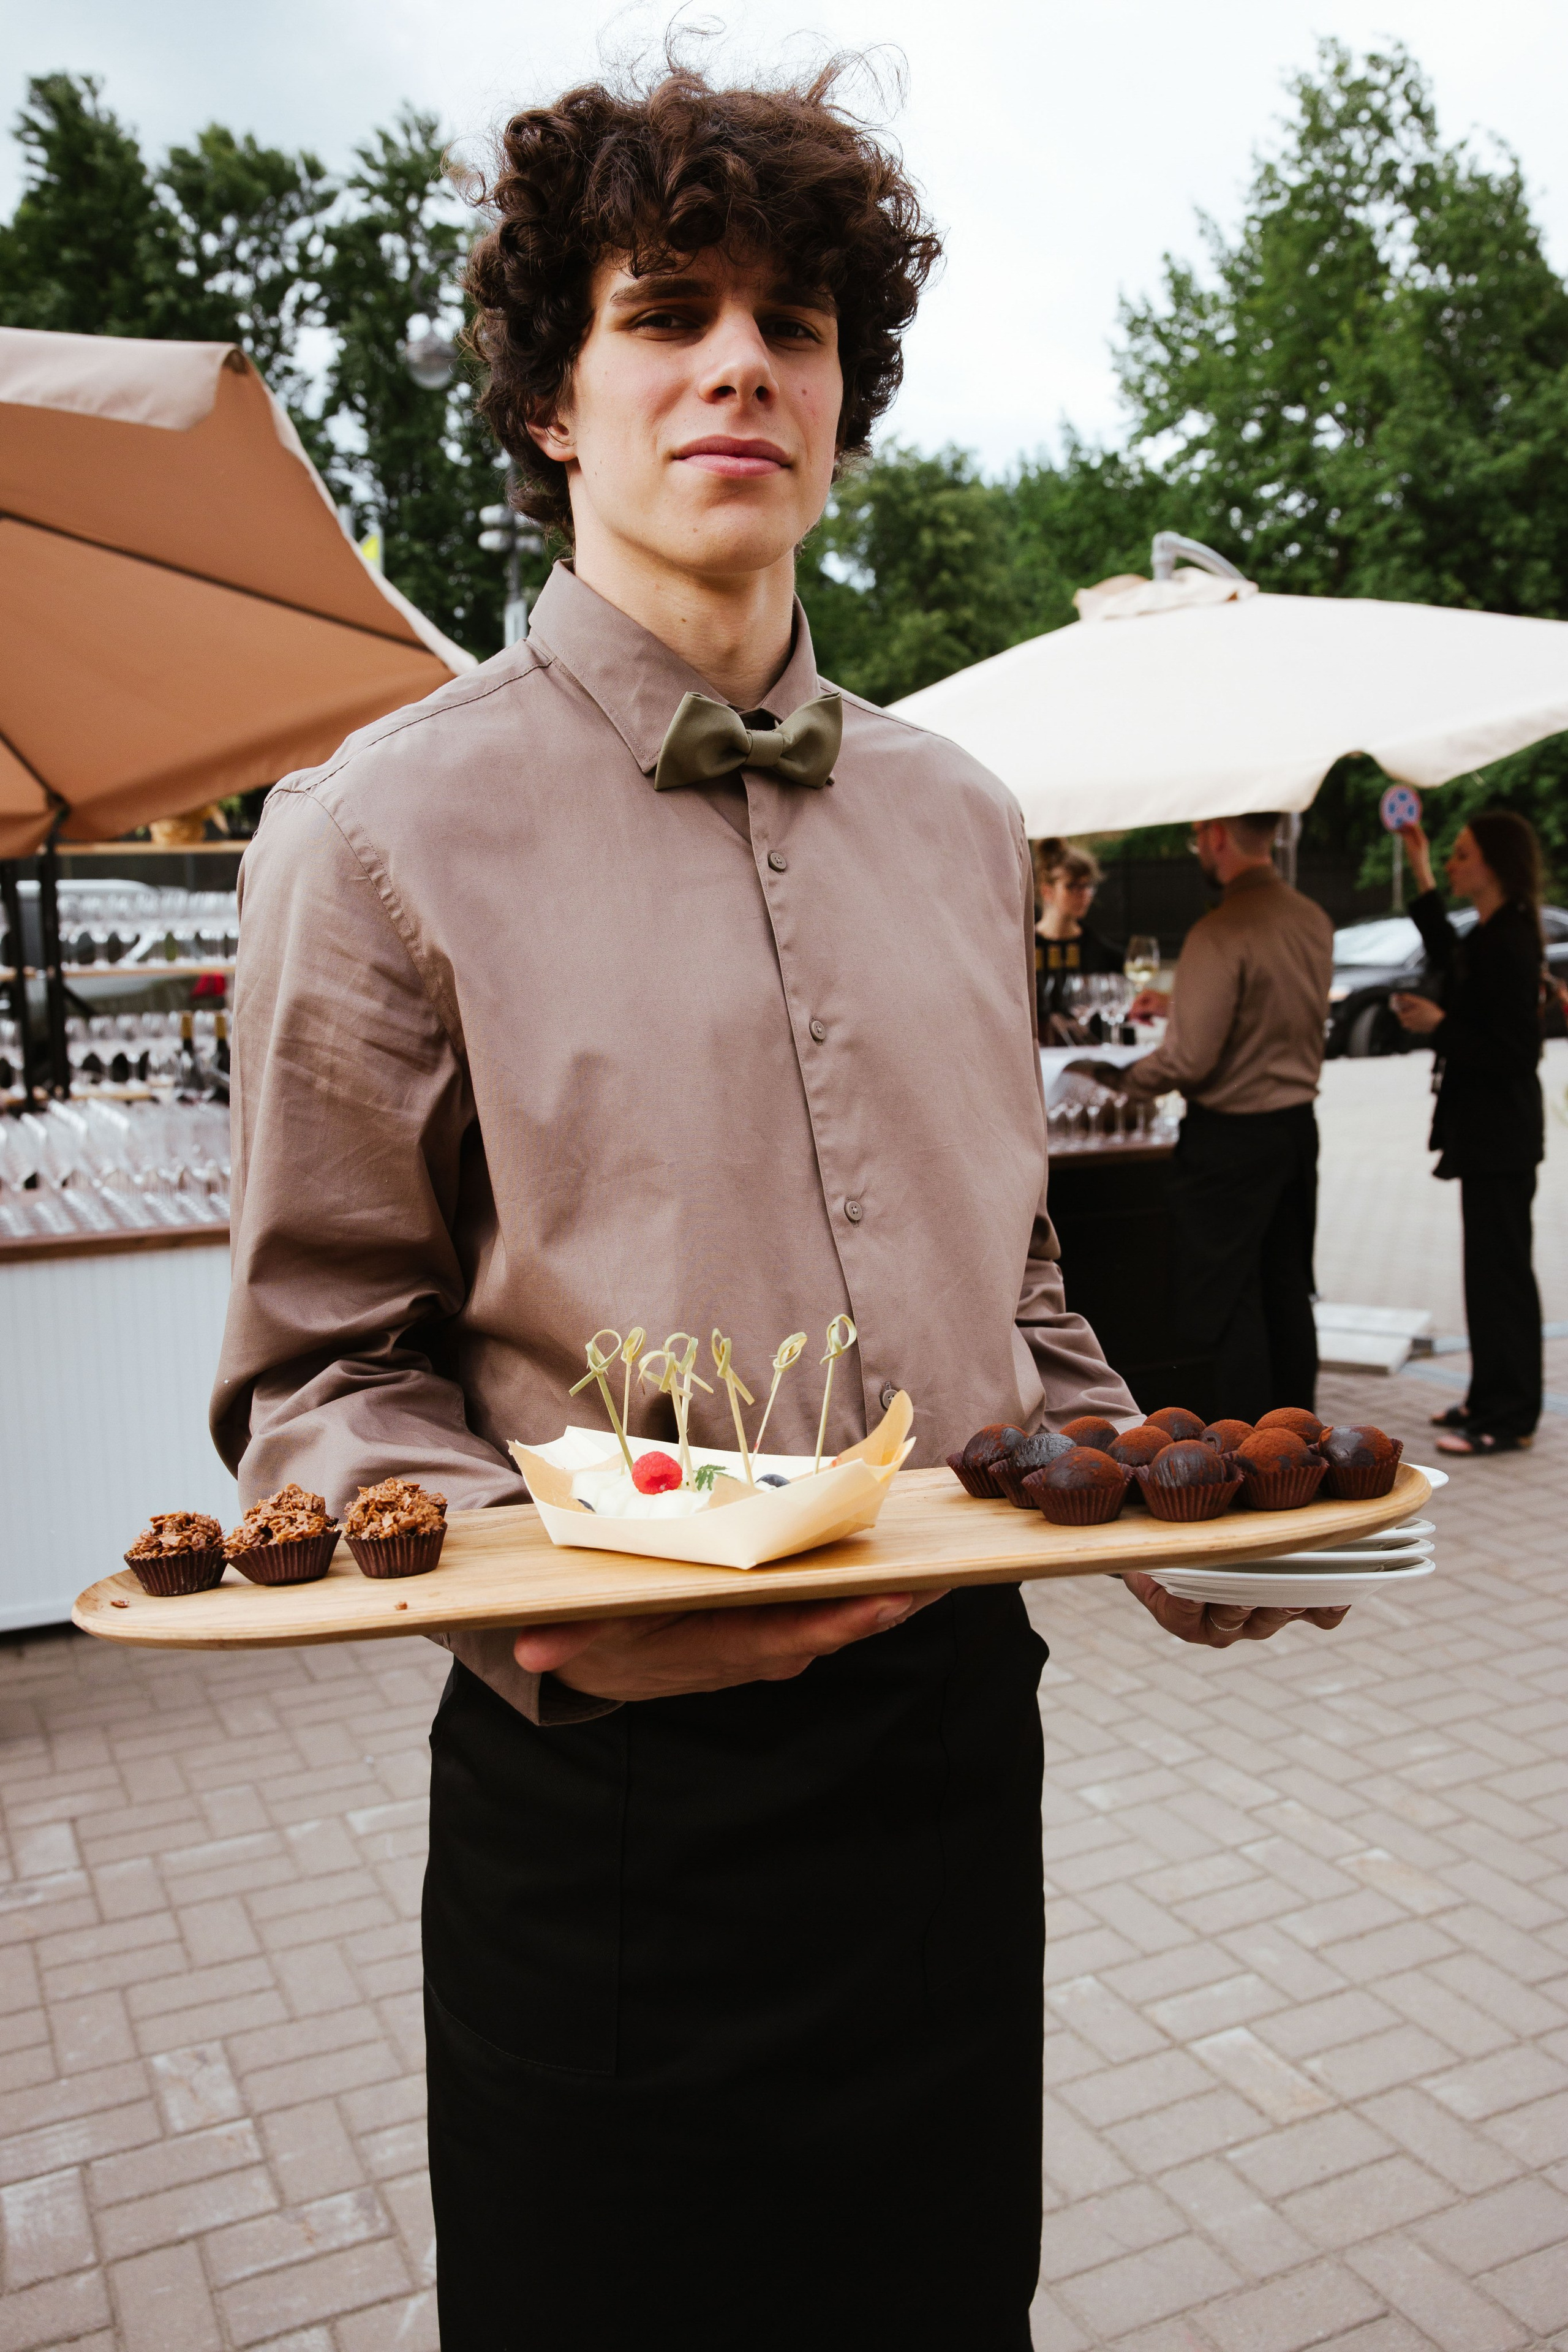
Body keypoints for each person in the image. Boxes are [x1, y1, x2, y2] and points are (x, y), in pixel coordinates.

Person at [213, 67, 1345, 2351]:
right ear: (551, 393)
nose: (740, 360)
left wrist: (1145, 1517)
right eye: (665, 313)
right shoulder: (374, 835)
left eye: (792, 323)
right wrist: (536, 1616)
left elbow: (1006, 1273)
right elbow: (320, 1369)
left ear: (841, 399)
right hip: (611, 1811)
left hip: (949, 1762)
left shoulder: (959, 819)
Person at [1080, 813, 1334, 1422]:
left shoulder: (1218, 933)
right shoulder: (1312, 919)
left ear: (1217, 835)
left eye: (1199, 834)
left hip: (1230, 1142)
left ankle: (1243, 1443)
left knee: (1225, 1302)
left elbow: (1189, 1061)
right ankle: (1298, 1432)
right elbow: (1269, 1008)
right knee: (1286, 1292)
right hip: (1295, 1133)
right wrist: (1179, 1002)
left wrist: (1113, 1078)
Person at [1392, 812, 1546, 1455]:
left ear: (1493, 864)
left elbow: (1516, 1051)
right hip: (1485, 1134)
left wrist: (1439, 1024)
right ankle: (1487, 1397)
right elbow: (1443, 950)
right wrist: (1418, 859)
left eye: (1459, 855)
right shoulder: (1490, 933)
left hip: (1501, 1135)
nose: (1453, 865)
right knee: (1485, 1272)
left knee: (1501, 1274)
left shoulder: (1510, 941)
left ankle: (1508, 1416)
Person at [1033, 836, 1123, 1035]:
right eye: (1073, 886)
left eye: (1088, 885)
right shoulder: (1025, 950)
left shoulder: (1102, 951)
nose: (1084, 894)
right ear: (1047, 891)